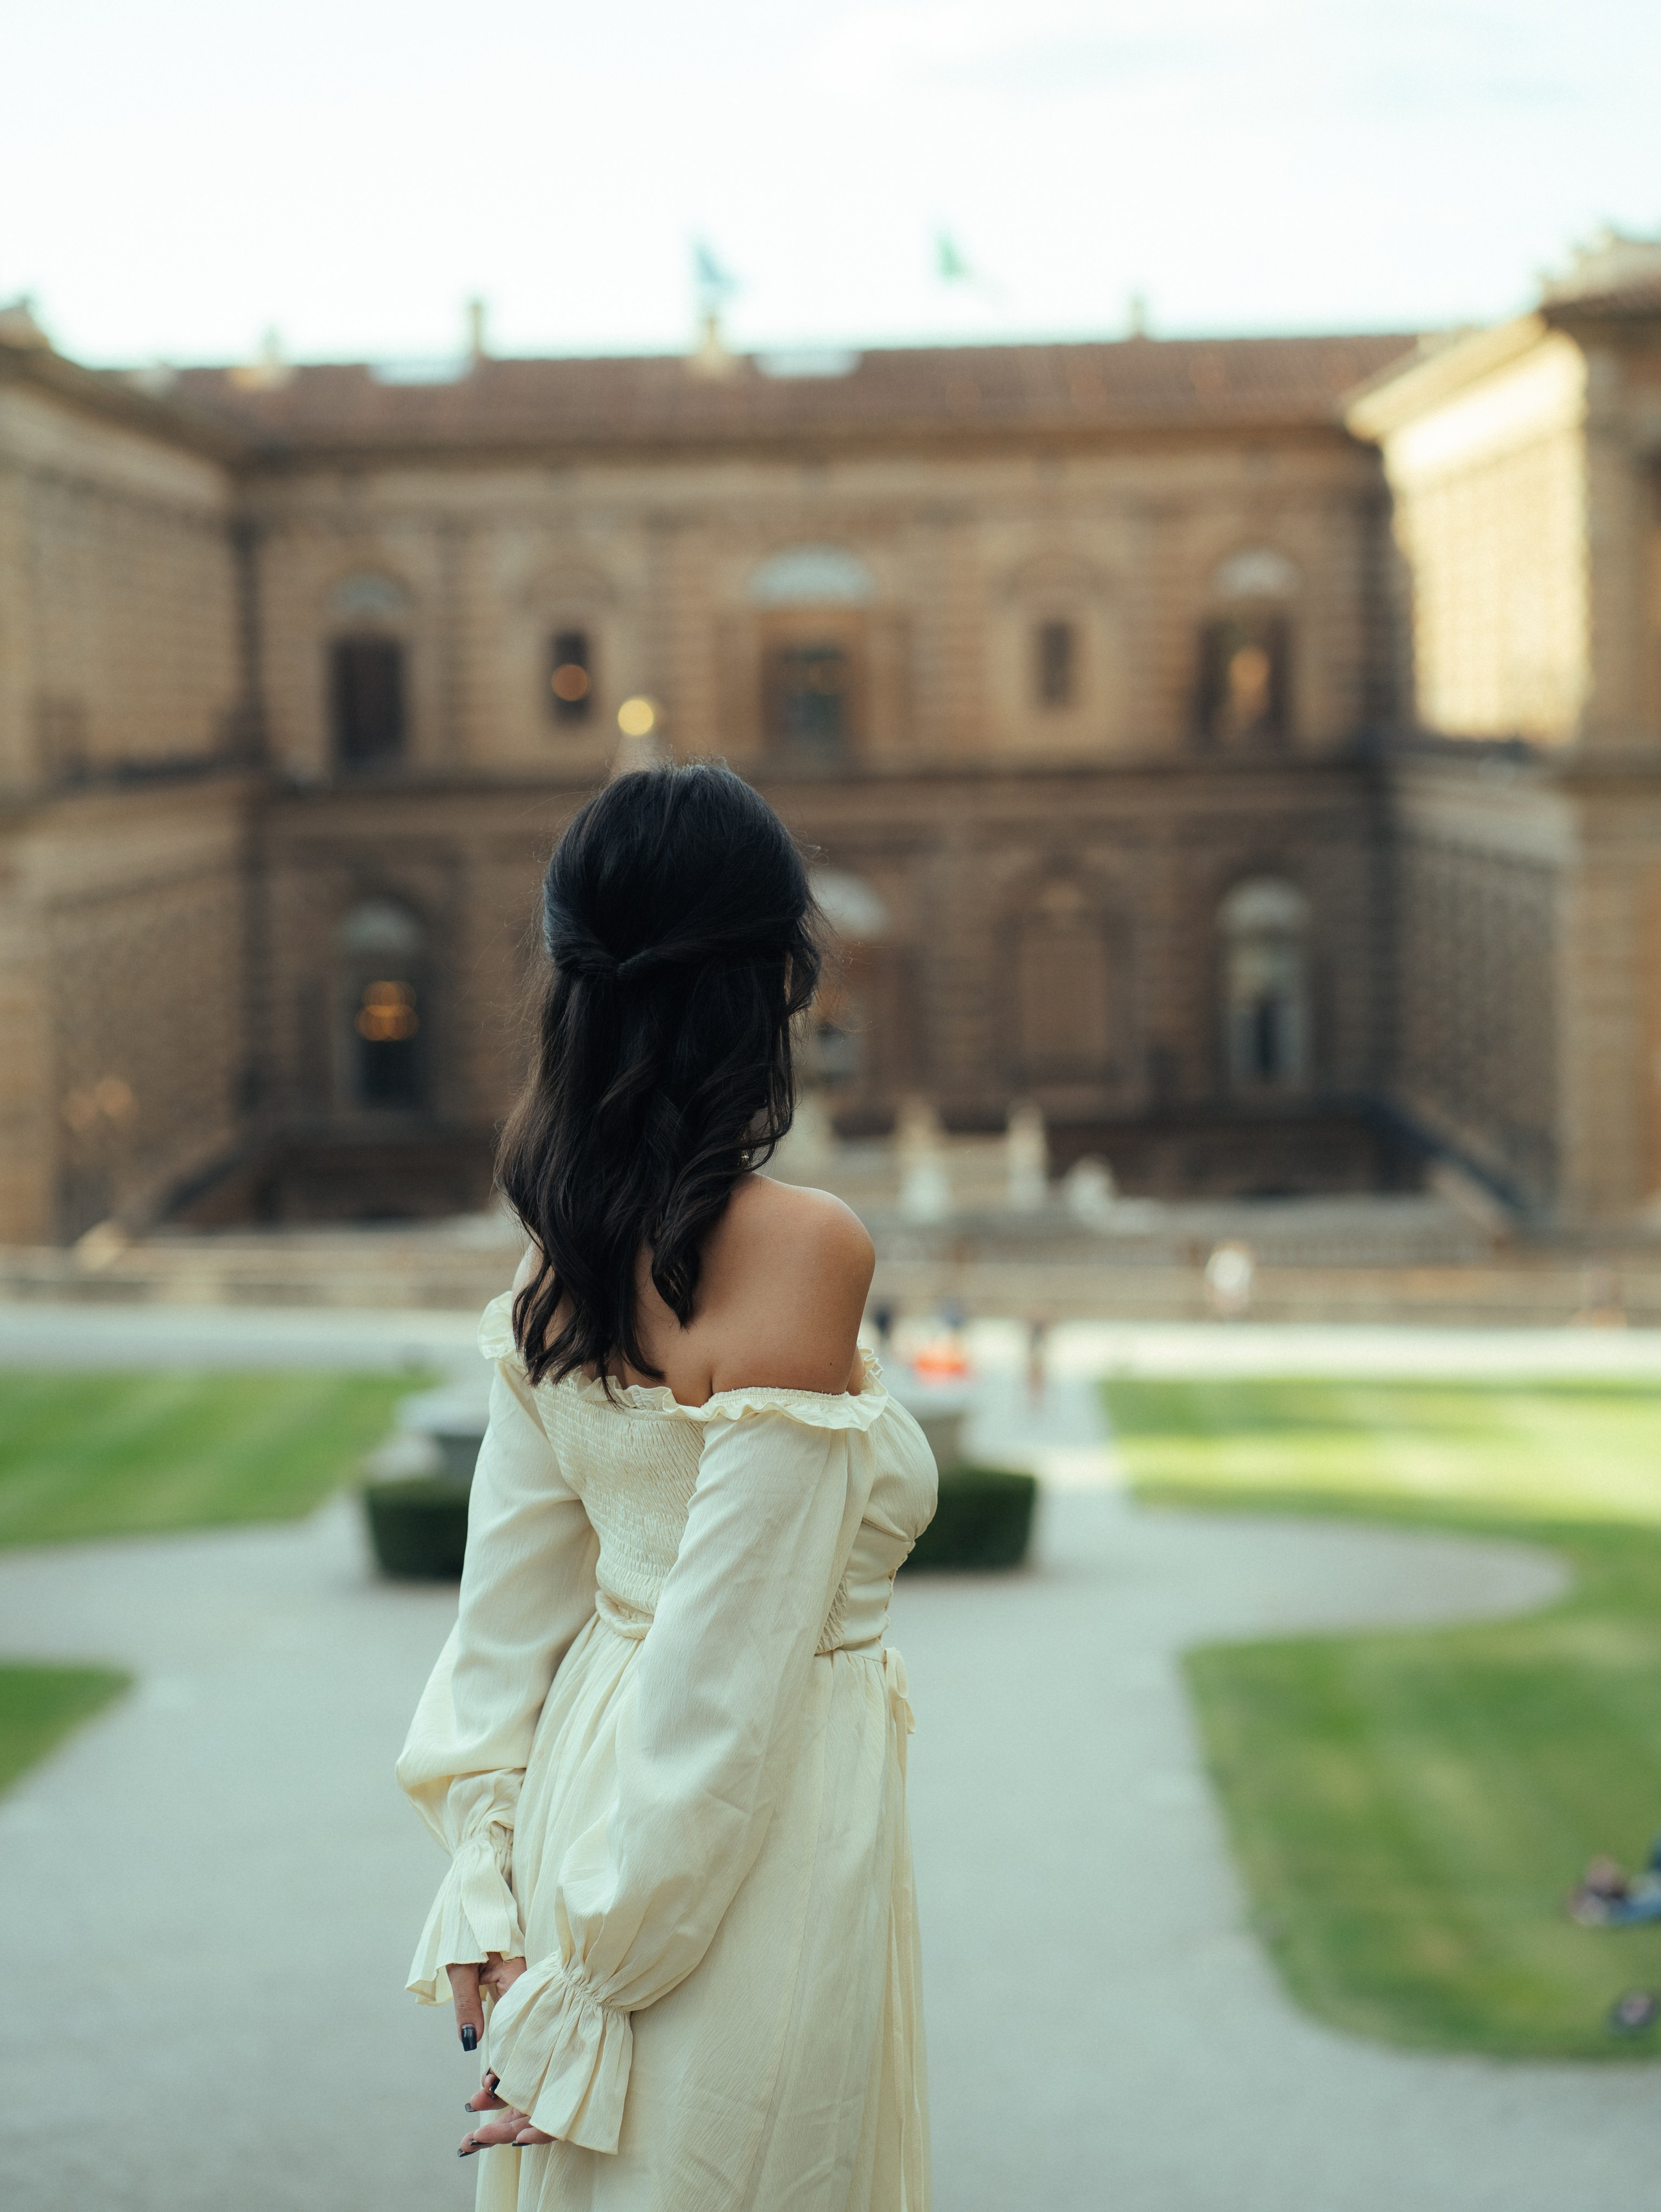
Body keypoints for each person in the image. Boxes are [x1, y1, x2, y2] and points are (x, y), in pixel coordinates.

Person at [396, 762, 937, 2211]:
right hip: (725, 1849)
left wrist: (491, 1898)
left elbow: (497, 1640)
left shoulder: (549, 1262)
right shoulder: (806, 1246)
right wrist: (581, 1984)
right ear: (768, 983)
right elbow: (724, 1684)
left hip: (597, 1809)